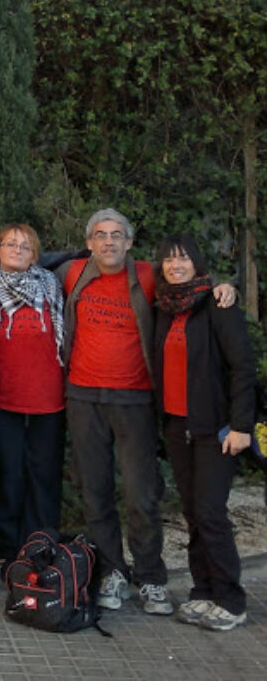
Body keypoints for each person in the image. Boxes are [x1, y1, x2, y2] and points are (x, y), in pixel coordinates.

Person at [54, 207, 173, 614]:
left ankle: (152, 577)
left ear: (129, 241)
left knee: (141, 494)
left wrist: (222, 289)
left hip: (134, 398)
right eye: (100, 235)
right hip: (83, 397)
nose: (108, 242)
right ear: (89, 243)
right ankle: (112, 571)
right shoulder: (72, 275)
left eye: (116, 235)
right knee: (95, 491)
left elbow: (188, 285)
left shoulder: (148, 275)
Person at [152, 234, 255, 631]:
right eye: (168, 260)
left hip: (218, 429)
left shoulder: (217, 303)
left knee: (212, 512)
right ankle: (203, 591)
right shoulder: (164, 307)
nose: (176, 265)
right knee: (193, 513)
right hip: (179, 426)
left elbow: (242, 367)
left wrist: (242, 426)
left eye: (183, 259)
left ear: (196, 262)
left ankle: (230, 599)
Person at [0, 223, 66, 568]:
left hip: (49, 399)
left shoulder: (53, 285)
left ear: (36, 255)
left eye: (25, 246)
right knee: (7, 476)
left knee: (44, 477)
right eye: (10, 244)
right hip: (2, 398)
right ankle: (6, 552)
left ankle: (41, 547)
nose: (17, 250)